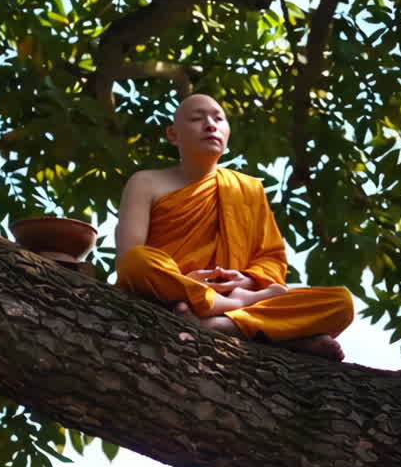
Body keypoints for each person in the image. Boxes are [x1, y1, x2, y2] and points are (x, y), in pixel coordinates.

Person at [114, 93, 354, 360]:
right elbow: (129, 260)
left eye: (218, 119)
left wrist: (248, 280)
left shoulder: (248, 189)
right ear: (173, 135)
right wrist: (188, 283)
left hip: (233, 297)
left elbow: (272, 259)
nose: (210, 125)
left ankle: (223, 324)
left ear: (227, 132)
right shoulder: (145, 182)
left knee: (340, 303)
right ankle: (271, 329)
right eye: (196, 119)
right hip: (169, 295)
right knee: (138, 260)